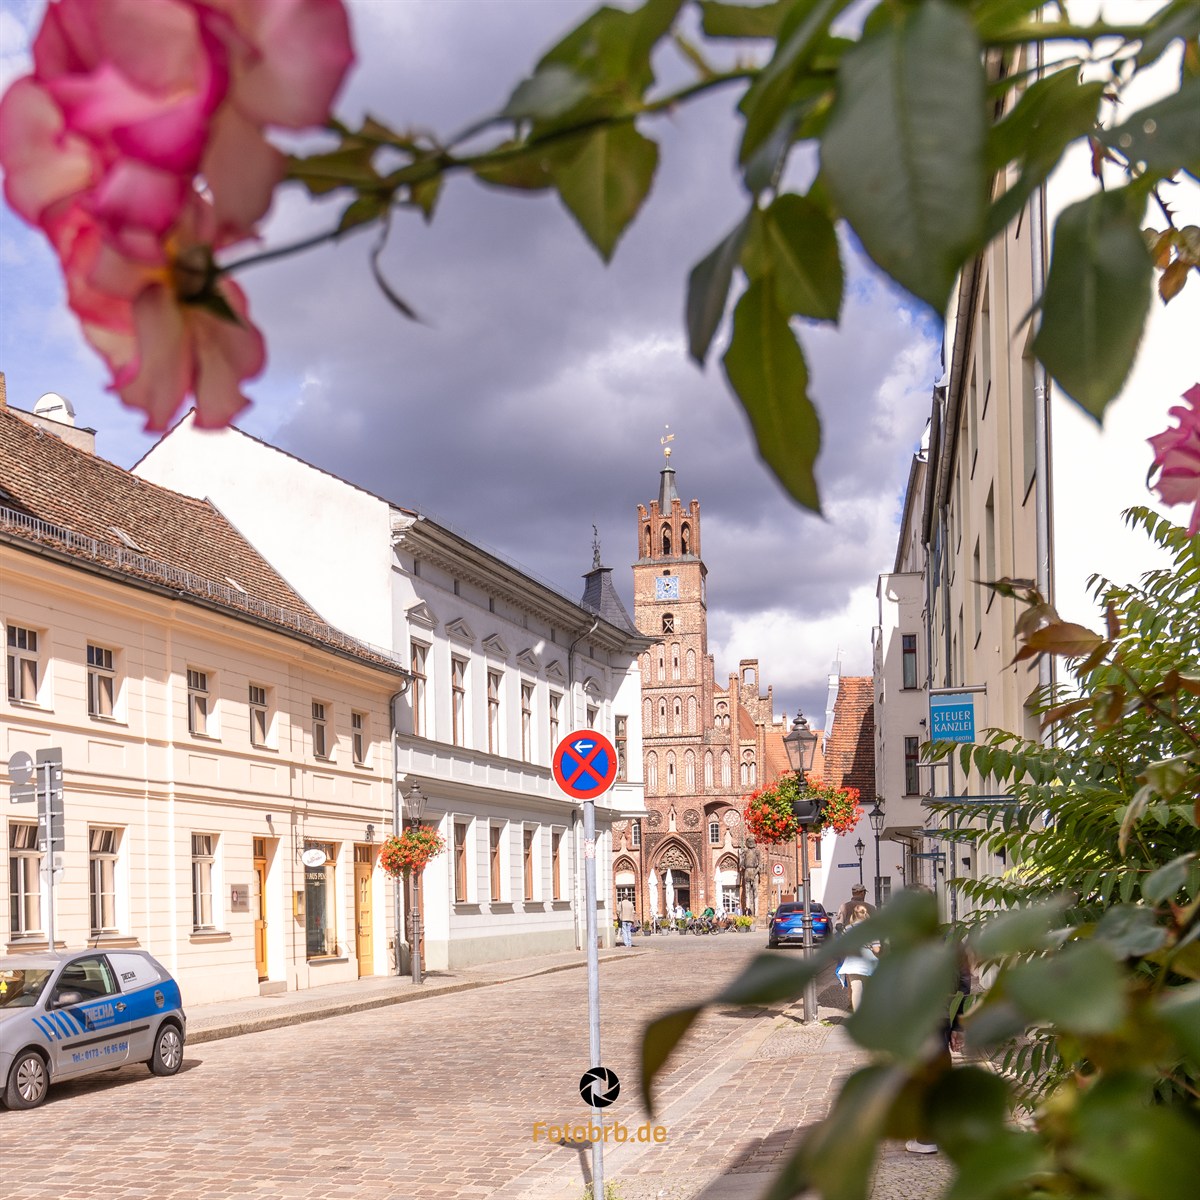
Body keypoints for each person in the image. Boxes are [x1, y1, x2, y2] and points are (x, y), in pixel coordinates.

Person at [835, 903, 879, 1012]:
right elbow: (876, 949)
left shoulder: (847, 929)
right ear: (866, 914)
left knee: (856, 990)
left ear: (853, 915)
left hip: (852, 962)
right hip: (868, 962)